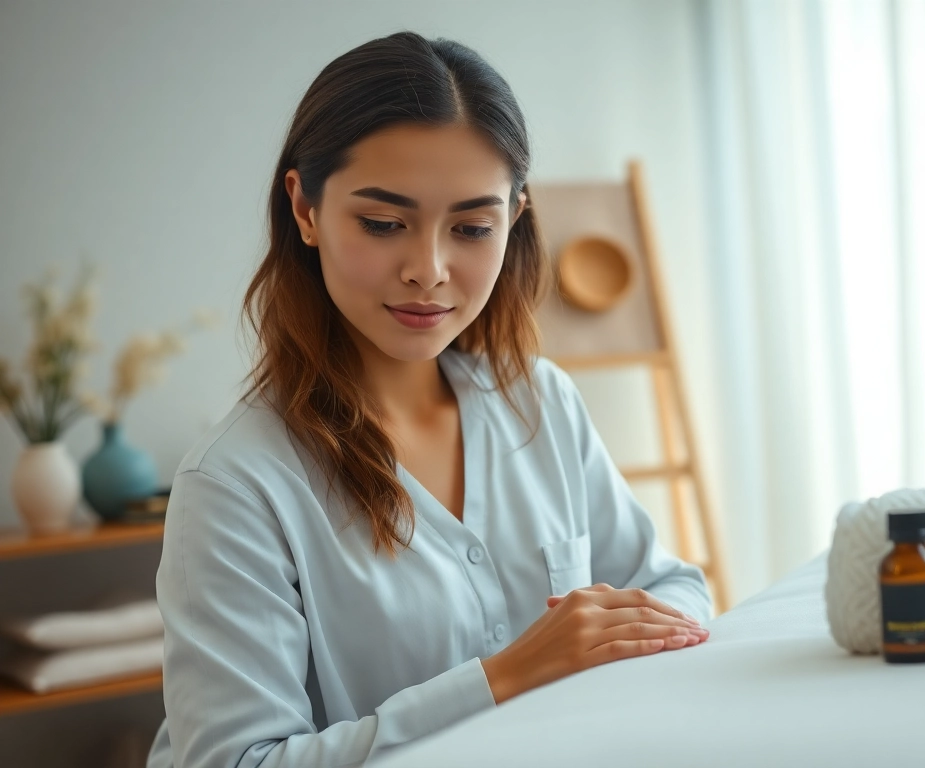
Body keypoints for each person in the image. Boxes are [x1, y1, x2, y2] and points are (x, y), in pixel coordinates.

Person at [146, 31, 711, 768]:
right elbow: (235, 761)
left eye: (473, 228)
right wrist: (505, 678)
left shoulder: (538, 402)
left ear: (515, 218)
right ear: (306, 209)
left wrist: (641, 632)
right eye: (383, 224)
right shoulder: (235, 485)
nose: (430, 270)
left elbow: (667, 584)